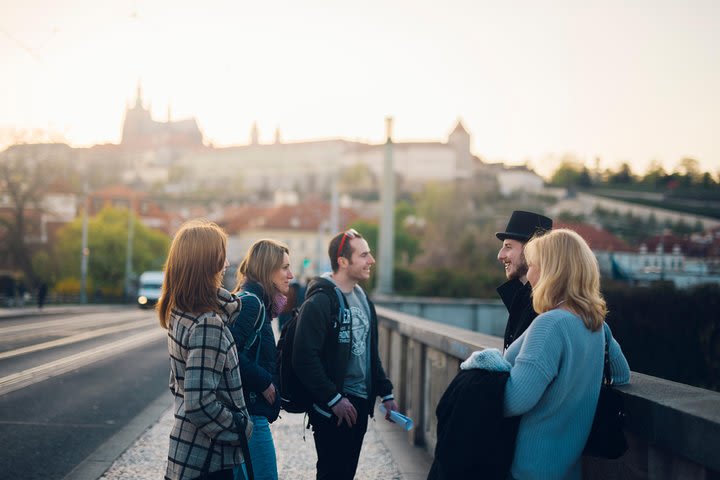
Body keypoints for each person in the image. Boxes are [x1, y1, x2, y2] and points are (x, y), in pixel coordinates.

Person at [502, 228, 630, 479]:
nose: (529, 274)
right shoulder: (596, 325)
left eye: (532, 266)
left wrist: (484, 372)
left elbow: (515, 400)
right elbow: (622, 374)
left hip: (529, 468)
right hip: (568, 468)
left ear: (551, 270)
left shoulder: (550, 325)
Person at [293, 228, 397, 480]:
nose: (371, 261)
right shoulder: (320, 301)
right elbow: (303, 357)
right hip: (333, 407)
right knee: (331, 473)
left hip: (360, 404)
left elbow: (370, 352)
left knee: (346, 473)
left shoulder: (362, 298)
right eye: (363, 255)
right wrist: (333, 399)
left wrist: (386, 392)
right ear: (342, 261)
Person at [158, 219, 253, 480]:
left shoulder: (180, 311)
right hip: (208, 459)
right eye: (222, 256)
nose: (227, 264)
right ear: (209, 261)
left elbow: (177, 384)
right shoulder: (208, 322)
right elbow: (199, 403)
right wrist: (240, 427)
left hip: (187, 452)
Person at [229, 239, 294, 480]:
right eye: (285, 268)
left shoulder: (257, 302)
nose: (291, 274)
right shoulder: (252, 304)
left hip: (247, 412)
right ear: (268, 269)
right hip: (250, 412)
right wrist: (265, 381)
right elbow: (229, 353)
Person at [496, 210, 553, 350]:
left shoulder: (546, 306)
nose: (500, 255)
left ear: (531, 251)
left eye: (508, 247)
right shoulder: (521, 299)